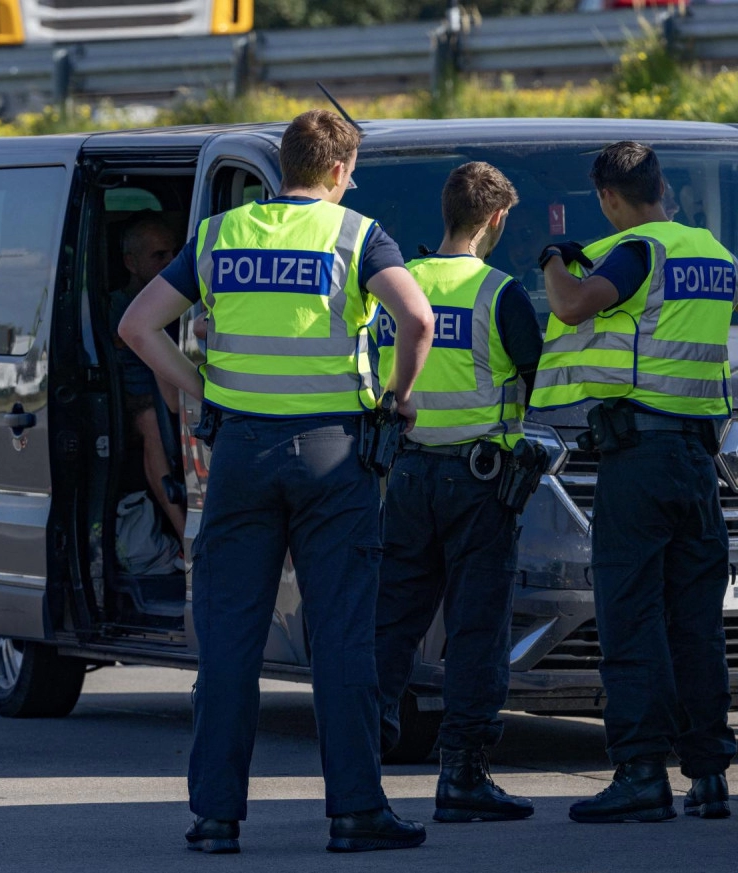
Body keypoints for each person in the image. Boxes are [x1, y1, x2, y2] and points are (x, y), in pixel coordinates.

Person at [120, 109, 436, 854]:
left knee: (229, 640)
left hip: (241, 451)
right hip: (335, 454)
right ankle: (356, 810)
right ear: (334, 171)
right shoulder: (356, 234)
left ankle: (216, 817)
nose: (351, 182)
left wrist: (196, 387)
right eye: (350, 172)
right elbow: (416, 318)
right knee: (343, 638)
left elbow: (138, 326)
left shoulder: (222, 236)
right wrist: (400, 397)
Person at [532, 141, 736, 822]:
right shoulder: (715, 255)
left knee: (630, 616)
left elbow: (571, 307)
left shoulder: (639, 248)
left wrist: (554, 262)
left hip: (639, 462)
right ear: (663, 188)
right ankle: (709, 775)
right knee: (696, 622)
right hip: (698, 464)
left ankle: (643, 772)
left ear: (609, 197)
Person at [372, 162, 541, 822]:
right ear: (497, 219)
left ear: (446, 211)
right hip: (478, 484)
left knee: (389, 627)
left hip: (406, 477)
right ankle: (464, 775)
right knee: (475, 630)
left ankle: (359, 766)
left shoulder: (399, 284)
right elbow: (540, 380)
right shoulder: (500, 293)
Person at [108, 212, 186, 544]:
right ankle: (185, 533)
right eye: (158, 256)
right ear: (130, 262)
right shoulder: (117, 305)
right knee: (154, 425)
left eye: (173, 254)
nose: (170, 262)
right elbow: (130, 339)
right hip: (134, 394)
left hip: (172, 385)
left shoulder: (180, 300)